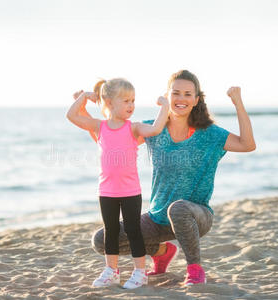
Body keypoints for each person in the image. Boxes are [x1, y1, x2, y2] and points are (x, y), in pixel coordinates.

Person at [90, 70, 256, 286]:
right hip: (157, 218)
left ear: (196, 100)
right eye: (176, 93)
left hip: (196, 215)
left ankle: (194, 269)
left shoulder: (210, 134)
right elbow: (111, 137)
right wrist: (96, 103)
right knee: (101, 240)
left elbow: (247, 144)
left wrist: (238, 103)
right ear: (168, 97)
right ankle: (161, 251)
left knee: (177, 208)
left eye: (188, 94)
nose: (181, 99)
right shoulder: (153, 129)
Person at [67, 78, 170, 289]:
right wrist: (83, 97)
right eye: (126, 101)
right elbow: (71, 115)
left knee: (133, 231)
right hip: (106, 191)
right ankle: (111, 271)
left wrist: (165, 106)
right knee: (110, 231)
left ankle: (140, 272)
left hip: (130, 192)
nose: (131, 105)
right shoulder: (100, 126)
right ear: (109, 102)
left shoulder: (133, 128)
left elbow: (157, 129)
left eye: (133, 100)